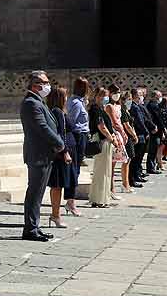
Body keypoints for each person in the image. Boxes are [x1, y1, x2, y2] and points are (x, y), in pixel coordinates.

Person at [20, 71, 68, 242]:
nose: (48, 85)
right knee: (34, 193)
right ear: (35, 85)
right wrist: (60, 144)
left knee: (38, 193)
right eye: (45, 82)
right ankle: (30, 229)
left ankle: (34, 226)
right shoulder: (31, 103)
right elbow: (43, 128)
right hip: (38, 154)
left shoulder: (38, 102)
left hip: (45, 154)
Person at [44, 84, 72, 229]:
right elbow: (60, 134)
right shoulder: (57, 112)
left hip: (59, 153)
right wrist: (65, 152)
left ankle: (56, 214)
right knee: (57, 186)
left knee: (58, 186)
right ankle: (56, 215)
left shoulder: (56, 111)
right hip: (59, 155)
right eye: (65, 95)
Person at [64, 78, 90, 218]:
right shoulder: (75, 102)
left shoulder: (80, 102)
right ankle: (70, 202)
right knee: (74, 170)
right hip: (77, 136)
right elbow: (71, 121)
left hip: (82, 136)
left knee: (77, 170)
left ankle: (71, 201)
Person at [87, 85, 116, 208]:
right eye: (104, 96)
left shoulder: (101, 108)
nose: (106, 98)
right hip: (102, 141)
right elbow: (101, 126)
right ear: (98, 96)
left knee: (103, 171)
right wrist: (111, 138)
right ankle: (100, 199)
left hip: (106, 141)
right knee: (102, 172)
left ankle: (99, 197)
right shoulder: (95, 109)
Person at [108, 85, 135, 196]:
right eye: (115, 92)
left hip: (120, 135)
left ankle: (121, 185)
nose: (117, 94)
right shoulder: (109, 106)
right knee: (113, 164)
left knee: (123, 160)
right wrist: (123, 132)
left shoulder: (118, 105)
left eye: (118, 92)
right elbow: (115, 122)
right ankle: (111, 188)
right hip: (115, 135)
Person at [128, 87, 154, 184]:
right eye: (140, 95)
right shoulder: (134, 107)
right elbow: (139, 121)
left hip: (141, 134)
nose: (142, 97)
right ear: (135, 96)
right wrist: (146, 131)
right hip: (139, 134)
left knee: (139, 158)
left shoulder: (137, 106)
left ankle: (137, 176)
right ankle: (133, 178)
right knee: (136, 159)